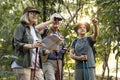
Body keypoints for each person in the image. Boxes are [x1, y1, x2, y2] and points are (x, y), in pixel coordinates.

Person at [11, 6, 49, 80]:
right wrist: (32, 45)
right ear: (26, 15)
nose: (35, 15)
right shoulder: (20, 27)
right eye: (32, 13)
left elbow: (38, 47)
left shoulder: (36, 31)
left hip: (36, 65)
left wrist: (46, 51)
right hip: (22, 65)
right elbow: (17, 44)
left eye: (36, 14)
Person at [35, 13, 67, 80]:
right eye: (55, 19)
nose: (57, 21)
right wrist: (50, 21)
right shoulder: (45, 31)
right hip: (48, 61)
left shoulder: (61, 35)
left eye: (59, 20)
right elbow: (36, 29)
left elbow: (63, 47)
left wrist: (63, 50)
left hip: (59, 61)